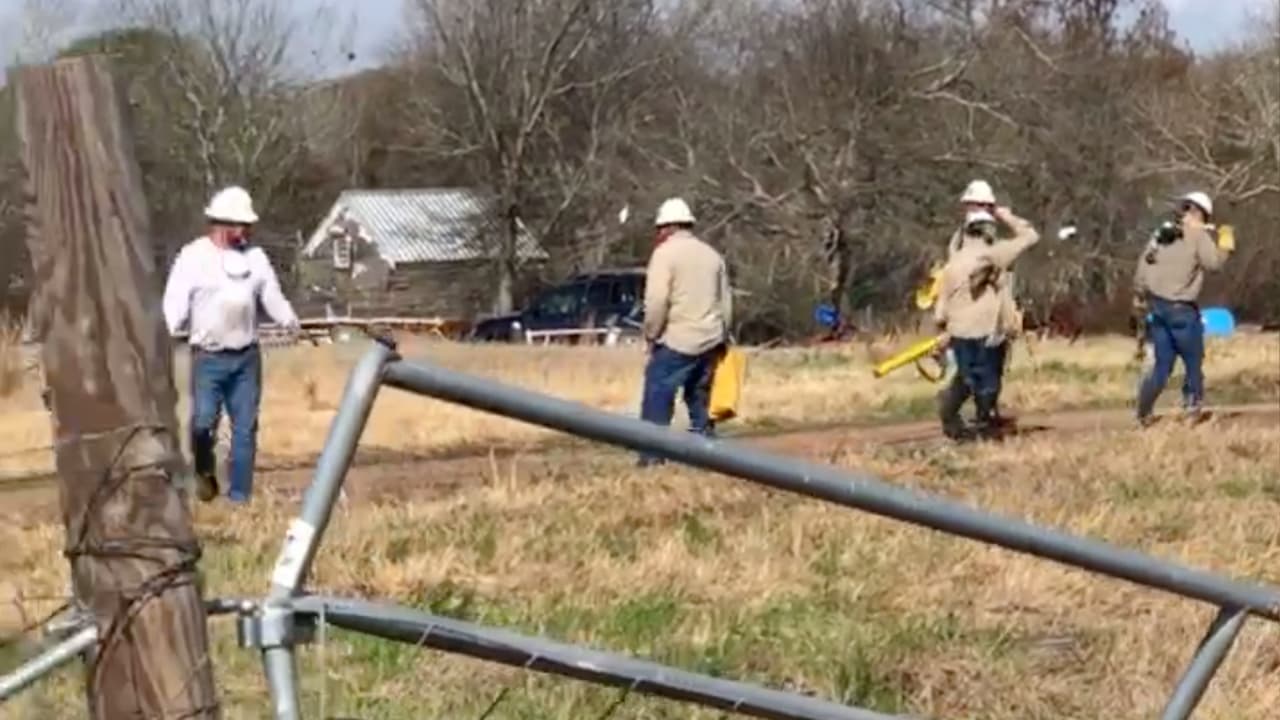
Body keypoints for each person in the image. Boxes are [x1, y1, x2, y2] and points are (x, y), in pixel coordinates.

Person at [162, 186, 299, 503]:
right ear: (222, 224)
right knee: (202, 424)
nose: (247, 231)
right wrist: (164, 333)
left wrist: (289, 320)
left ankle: (240, 497)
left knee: (244, 431)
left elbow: (272, 296)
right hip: (208, 358)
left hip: (246, 359)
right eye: (241, 225)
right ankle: (204, 472)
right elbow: (175, 303)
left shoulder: (256, 258)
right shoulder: (193, 257)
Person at [637, 197, 732, 466]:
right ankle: (709, 453)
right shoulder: (713, 255)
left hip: (678, 340)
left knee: (658, 393)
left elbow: (656, 301)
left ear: (666, 227)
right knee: (699, 397)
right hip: (712, 338)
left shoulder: (664, 254)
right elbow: (725, 302)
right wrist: (722, 337)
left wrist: (651, 334)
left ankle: (652, 456)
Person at [934, 206, 1040, 440]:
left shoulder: (955, 260)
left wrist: (941, 327)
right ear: (987, 231)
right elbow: (1030, 237)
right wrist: (1005, 214)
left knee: (967, 376)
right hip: (988, 329)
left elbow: (942, 302)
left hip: (959, 330)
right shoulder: (994, 254)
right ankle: (985, 423)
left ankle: (952, 417)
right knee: (989, 378)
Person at [1133, 191, 1231, 426]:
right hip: (1182, 311)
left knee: (1162, 366)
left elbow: (1141, 272)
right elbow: (1214, 264)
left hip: (1156, 309)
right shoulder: (1198, 236)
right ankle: (1192, 409)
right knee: (1193, 361)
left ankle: (1143, 412)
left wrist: (1139, 298)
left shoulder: (1160, 235)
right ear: (1199, 214)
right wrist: (1226, 241)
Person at [947, 179, 1025, 425]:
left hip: (994, 317)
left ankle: (985, 415)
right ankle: (956, 414)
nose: (974, 209)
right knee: (970, 374)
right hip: (967, 318)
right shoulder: (959, 240)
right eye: (972, 205)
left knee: (992, 371)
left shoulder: (995, 241)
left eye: (980, 205)